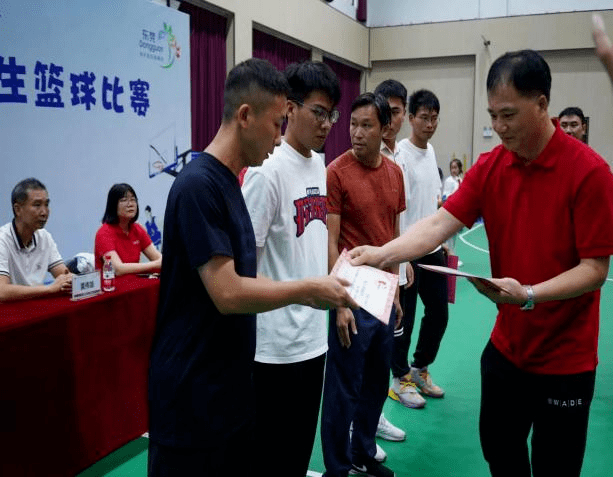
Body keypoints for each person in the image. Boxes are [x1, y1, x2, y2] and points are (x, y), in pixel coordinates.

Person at [350, 49, 613, 477]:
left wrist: (529, 295)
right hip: (507, 351)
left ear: (542, 104)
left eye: (509, 114)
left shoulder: (590, 173)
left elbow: (595, 269)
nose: (498, 127)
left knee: (556, 467)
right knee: (500, 454)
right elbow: (439, 223)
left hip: (566, 362)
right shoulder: (492, 167)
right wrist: (383, 253)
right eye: (493, 115)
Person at [147, 58, 356, 477]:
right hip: (192, 392)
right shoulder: (197, 186)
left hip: (227, 385)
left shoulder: (228, 182)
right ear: (245, 116)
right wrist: (307, 291)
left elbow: (245, 274)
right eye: (277, 123)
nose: (278, 140)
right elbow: (227, 292)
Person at [241, 60, 342, 477]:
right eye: (319, 112)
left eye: (331, 115)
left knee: (298, 453)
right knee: (270, 458)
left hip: (311, 341)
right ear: (290, 109)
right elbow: (245, 265)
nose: (327, 124)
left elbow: (315, 247)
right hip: (272, 349)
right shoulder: (267, 173)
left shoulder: (318, 164)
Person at [321, 92, 405, 477]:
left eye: (366, 125)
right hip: (352, 295)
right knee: (344, 387)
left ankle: (363, 452)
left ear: (384, 128)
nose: (356, 132)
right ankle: (337, 466)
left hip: (385, 294)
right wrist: (338, 301)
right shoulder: (336, 172)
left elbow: (394, 234)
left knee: (376, 381)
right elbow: (330, 239)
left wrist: (398, 287)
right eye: (353, 124)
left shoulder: (394, 173)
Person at [387, 89, 448, 409]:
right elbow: (397, 209)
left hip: (433, 248)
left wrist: (445, 242)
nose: (430, 124)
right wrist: (402, 255)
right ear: (411, 118)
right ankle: (399, 380)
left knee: (439, 313)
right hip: (408, 250)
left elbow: (436, 203)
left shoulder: (432, 151)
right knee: (404, 320)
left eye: (434, 118)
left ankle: (420, 367)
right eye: (424, 117)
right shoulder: (401, 155)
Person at [0, 178, 73, 302]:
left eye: (47, 204)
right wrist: (48, 289)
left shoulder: (44, 237)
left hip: (34, 306)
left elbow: (63, 274)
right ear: (18, 209)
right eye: (37, 205)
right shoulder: (2, 239)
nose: (44, 212)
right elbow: (2, 291)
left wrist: (71, 279)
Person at [94, 183, 162, 275]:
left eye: (133, 200)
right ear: (113, 205)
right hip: (111, 287)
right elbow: (117, 269)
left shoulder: (137, 229)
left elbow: (159, 259)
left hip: (136, 284)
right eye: (124, 200)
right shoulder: (103, 233)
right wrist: (154, 265)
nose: (130, 204)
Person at [442, 158, 463, 259]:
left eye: (455, 168)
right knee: (449, 237)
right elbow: (445, 195)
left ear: (459, 169)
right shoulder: (449, 181)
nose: (453, 170)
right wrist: (455, 192)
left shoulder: (460, 180)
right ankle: (450, 257)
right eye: (452, 168)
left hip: (458, 211)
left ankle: (453, 256)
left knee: (455, 236)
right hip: (450, 211)